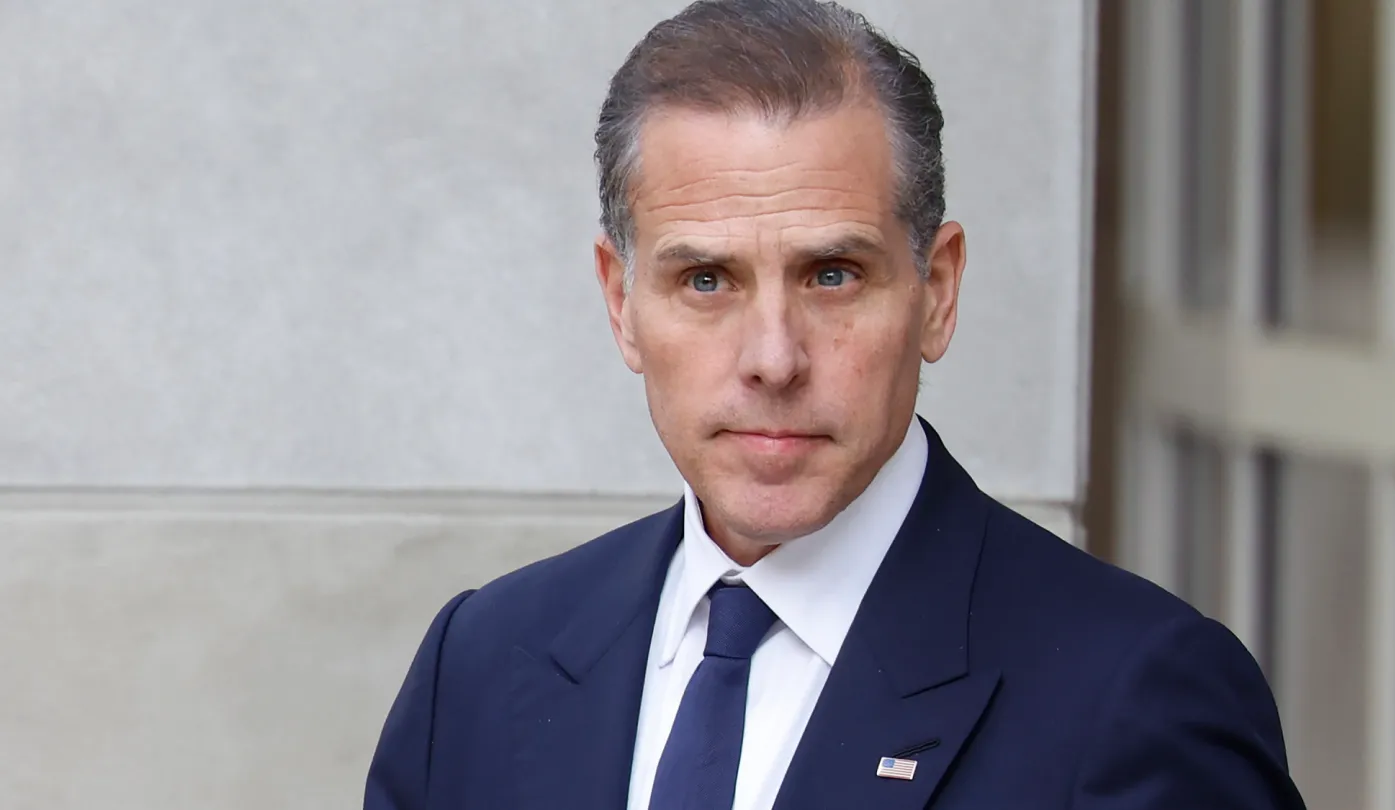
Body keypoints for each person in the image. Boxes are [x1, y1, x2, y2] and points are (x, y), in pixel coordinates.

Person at [364, 1, 1308, 808]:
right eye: (705, 280)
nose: (773, 358)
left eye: (831, 274)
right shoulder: (483, 662)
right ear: (620, 303)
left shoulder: (1136, 698)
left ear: (935, 291)